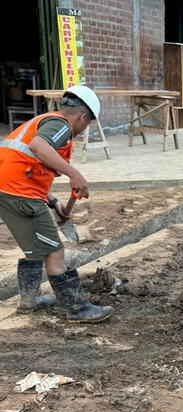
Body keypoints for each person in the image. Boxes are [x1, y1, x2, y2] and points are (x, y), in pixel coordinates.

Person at [0, 86, 113, 323]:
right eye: (87, 123)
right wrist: (74, 174)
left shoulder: (45, 119)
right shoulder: (62, 125)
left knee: (36, 246)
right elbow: (38, 147)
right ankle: (77, 309)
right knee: (54, 251)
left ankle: (30, 299)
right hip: (19, 194)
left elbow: (28, 165)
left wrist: (52, 201)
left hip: (11, 189)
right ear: (83, 117)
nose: (84, 129)